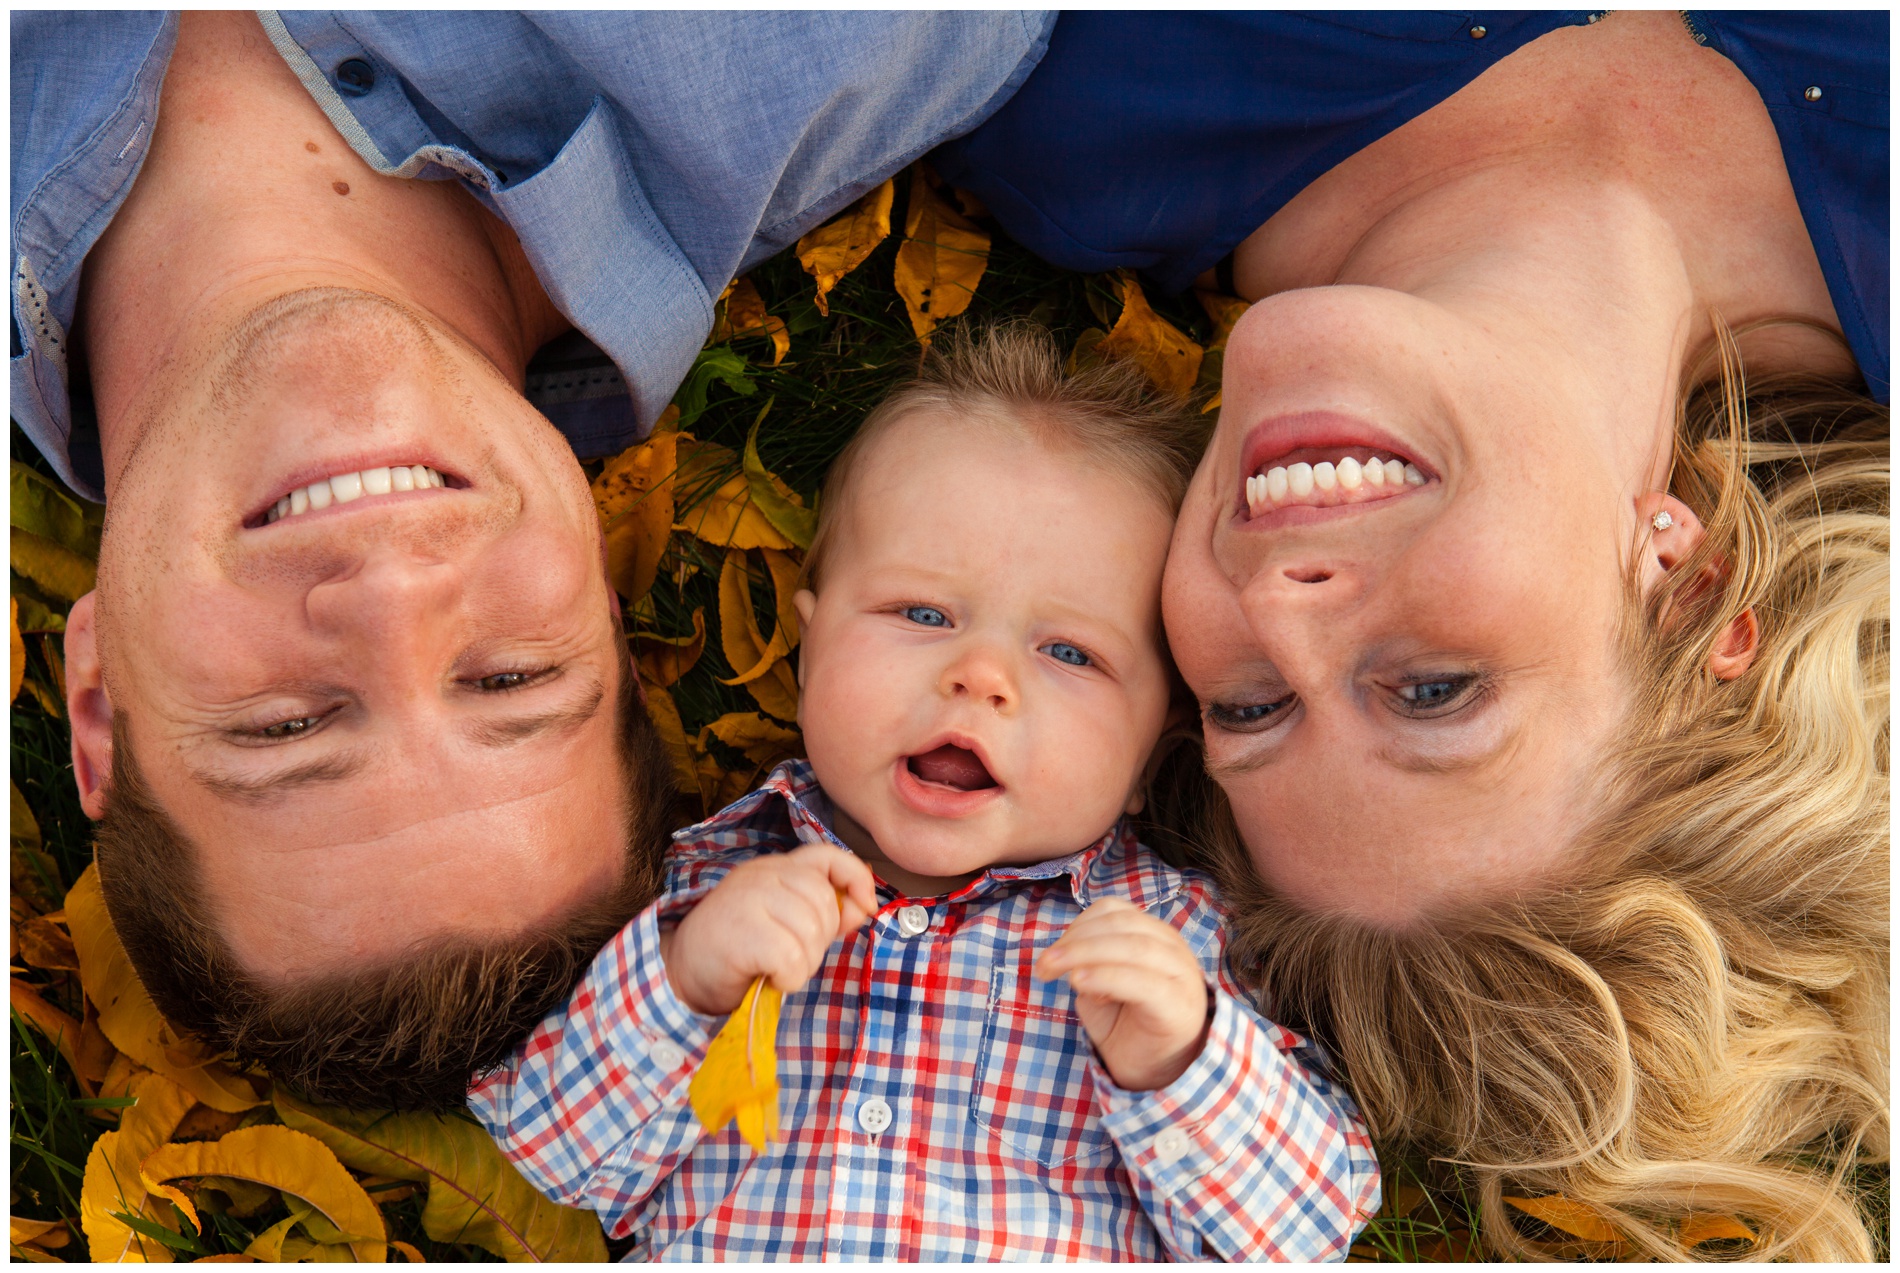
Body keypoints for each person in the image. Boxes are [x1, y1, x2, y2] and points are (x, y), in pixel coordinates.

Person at [935, 10, 1888, 1260]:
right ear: (1692, 585)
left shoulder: (1088, 105)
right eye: (1435, 689)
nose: (1276, 601)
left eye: (1251, 706)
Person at [12, 9, 1053, 1107]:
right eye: (508, 678)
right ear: (600, 599)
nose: (392, 588)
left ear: (99, 707)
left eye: (287, 725)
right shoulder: (852, 40)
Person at [469, 325, 1378, 1260]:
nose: (981, 674)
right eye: (924, 613)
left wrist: (1183, 1063)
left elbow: (1306, 1234)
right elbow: (551, 1150)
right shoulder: (711, 883)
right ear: (811, 648)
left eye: (1070, 653)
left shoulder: (1177, 942)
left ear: (1153, 755)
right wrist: (690, 981)